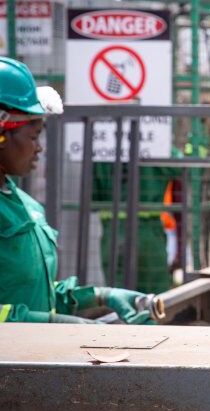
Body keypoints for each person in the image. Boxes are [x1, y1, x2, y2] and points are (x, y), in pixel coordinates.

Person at [0, 57, 154, 324]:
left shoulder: (24, 205)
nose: (39, 148)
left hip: (28, 361)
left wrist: (99, 296)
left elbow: (35, 293)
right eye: (34, 136)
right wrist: (64, 327)